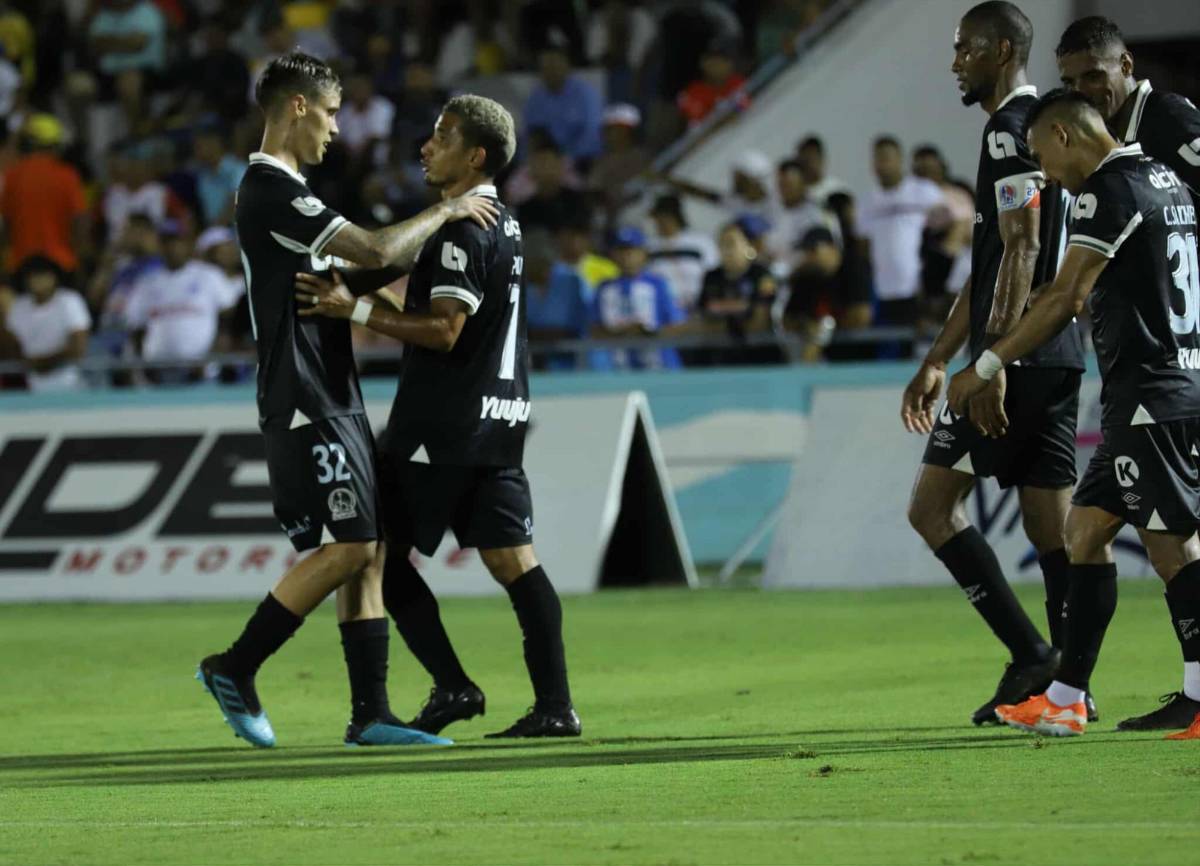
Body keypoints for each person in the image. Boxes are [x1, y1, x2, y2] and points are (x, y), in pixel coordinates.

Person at [195, 51, 498, 749]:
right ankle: (234, 667)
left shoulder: (288, 195)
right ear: (297, 107)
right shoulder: (271, 190)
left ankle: (371, 714)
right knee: (354, 543)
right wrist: (447, 208)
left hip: (331, 390)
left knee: (369, 549)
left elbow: (358, 275)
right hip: (304, 396)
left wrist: (435, 236)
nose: (336, 128)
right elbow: (370, 248)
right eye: (330, 112)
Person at [298, 94, 582, 738]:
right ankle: (556, 707)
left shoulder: (460, 230)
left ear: (475, 156)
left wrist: (353, 312)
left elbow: (446, 330)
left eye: (442, 137)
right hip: (500, 418)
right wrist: (352, 280)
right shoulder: (502, 222)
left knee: (373, 556)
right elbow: (392, 259)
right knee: (515, 563)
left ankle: (452, 685)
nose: (426, 147)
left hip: (440, 428)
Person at [947, 89, 1200, 740]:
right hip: (1154, 391)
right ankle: (1064, 697)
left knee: (1173, 549)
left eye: (1042, 158)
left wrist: (985, 366)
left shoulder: (1108, 190)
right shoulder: (1167, 178)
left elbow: (1064, 296)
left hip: (1153, 395)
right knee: (1084, 531)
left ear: (1062, 136)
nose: (1046, 178)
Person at [901, 2, 1087, 727]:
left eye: (966, 49)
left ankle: (1032, 656)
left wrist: (988, 359)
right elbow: (990, 259)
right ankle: (1072, 685)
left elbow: (1020, 247)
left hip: (1016, 357)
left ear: (1003, 50)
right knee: (1051, 527)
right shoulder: (1051, 126)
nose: (955, 63)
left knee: (931, 508)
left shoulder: (1011, 132)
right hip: (1059, 352)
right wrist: (937, 355)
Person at [1055, 16, 1200, 196]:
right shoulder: (1106, 135)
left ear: (1126, 65)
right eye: (1069, 83)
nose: (1079, 92)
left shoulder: (1168, 117)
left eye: (1093, 77)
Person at [122, 220, 240, 382]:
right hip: (158, 373)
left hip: (201, 372)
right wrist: (144, 367)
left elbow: (228, 322)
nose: (171, 248)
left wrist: (210, 358)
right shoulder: (147, 282)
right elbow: (136, 330)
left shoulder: (209, 275)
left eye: (176, 242)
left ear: (186, 244)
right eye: (165, 243)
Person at [858, 135, 944, 333]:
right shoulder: (867, 202)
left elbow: (944, 232)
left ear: (899, 160)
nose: (883, 164)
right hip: (881, 291)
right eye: (878, 158)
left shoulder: (924, 192)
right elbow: (863, 245)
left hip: (917, 288)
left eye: (887, 158)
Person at [0, 114, 88, 276]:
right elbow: (80, 221)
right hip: (61, 262)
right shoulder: (67, 175)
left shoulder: (12, 176)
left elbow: (6, 224)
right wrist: (80, 259)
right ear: (54, 146)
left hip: (21, 264)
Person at [592, 226, 685, 370]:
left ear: (643, 253)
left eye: (631, 250)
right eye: (621, 250)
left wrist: (648, 333)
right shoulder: (604, 288)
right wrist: (621, 333)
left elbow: (677, 325)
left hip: (660, 367)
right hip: (618, 369)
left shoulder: (658, 284)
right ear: (612, 254)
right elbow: (594, 330)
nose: (626, 255)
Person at [0, 255, 90, 391]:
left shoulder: (70, 301)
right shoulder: (19, 306)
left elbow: (78, 348)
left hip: (67, 377)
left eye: (42, 275)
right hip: (28, 379)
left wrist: (43, 363)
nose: (37, 281)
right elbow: (11, 345)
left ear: (54, 277)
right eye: (32, 276)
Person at [696, 221, 781, 365]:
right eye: (721, 244)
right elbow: (704, 321)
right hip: (720, 354)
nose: (726, 250)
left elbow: (759, 324)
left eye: (731, 243)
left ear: (748, 245)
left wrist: (726, 326)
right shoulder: (711, 277)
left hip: (759, 355)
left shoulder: (762, 275)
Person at [522, 36, 603, 163]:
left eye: (554, 66)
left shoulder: (586, 95)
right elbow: (530, 135)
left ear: (567, 66)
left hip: (583, 160)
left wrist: (566, 161)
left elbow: (592, 135)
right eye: (545, 67)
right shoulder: (535, 98)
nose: (550, 72)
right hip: (546, 162)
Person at [646, 193, 718, 315]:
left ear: (674, 216)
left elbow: (714, 273)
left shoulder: (701, 242)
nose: (658, 221)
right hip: (665, 311)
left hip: (701, 308)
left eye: (663, 216)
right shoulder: (649, 246)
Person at [796, 135, 849, 206]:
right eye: (803, 160)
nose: (807, 165)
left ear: (822, 159)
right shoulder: (791, 195)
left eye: (811, 159)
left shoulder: (838, 190)